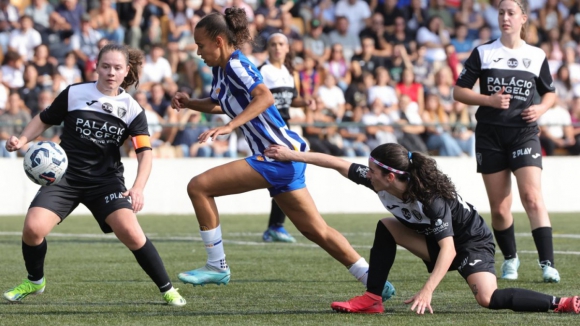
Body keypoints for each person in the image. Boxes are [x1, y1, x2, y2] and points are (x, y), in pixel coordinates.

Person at [170, 8, 395, 300]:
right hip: (284, 158)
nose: (198, 51)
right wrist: (189, 103)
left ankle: (217, 265)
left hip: (276, 155)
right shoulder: (221, 70)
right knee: (317, 231)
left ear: (219, 41)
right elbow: (219, 102)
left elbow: (264, 96)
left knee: (198, 187)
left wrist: (229, 127)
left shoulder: (238, 65)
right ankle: (373, 279)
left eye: (201, 45)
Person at [264, 143, 580, 315]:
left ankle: (561, 303)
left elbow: (450, 249)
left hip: (469, 242)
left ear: (390, 176)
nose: (366, 173)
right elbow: (333, 161)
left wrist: (427, 289)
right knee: (386, 226)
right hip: (437, 241)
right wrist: (292, 154)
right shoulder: (380, 182)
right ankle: (373, 298)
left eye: (372, 170)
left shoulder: (431, 200)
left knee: (488, 298)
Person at [2, 44, 186, 307]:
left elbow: (145, 153)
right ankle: (35, 281)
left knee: (132, 233)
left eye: (117, 68)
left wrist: (138, 187)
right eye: (106, 66)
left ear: (126, 71)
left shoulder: (132, 109)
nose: (111, 72)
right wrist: (21, 139)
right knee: (32, 229)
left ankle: (167, 289)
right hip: (65, 177)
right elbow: (44, 119)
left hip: (105, 181)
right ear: (96, 67)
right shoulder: (75, 93)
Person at [453, 0, 560, 282]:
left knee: (532, 198)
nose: (505, 17)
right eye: (501, 12)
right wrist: (488, 100)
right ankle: (511, 259)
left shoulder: (536, 55)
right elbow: (459, 91)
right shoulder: (484, 52)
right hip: (489, 135)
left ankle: (548, 264)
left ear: (523, 18)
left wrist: (541, 108)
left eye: (511, 12)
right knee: (500, 208)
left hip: (523, 133)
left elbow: (550, 93)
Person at [258, 33, 316, 243]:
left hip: (285, 128)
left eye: (281, 44)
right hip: (271, 128)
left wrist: (306, 102)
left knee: (285, 175)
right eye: (273, 44)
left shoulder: (287, 72)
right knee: (284, 174)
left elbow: (291, 99)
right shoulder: (263, 71)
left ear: (287, 48)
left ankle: (276, 226)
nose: (277, 48)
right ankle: (276, 226)